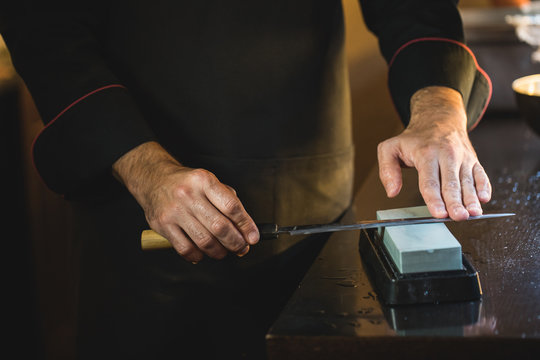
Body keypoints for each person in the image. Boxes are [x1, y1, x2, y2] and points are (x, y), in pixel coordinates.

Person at [1, 1, 492, 359]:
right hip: (143, 220)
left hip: (317, 204)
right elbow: (44, 29)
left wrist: (438, 109)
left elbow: (415, 8)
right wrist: (144, 168)